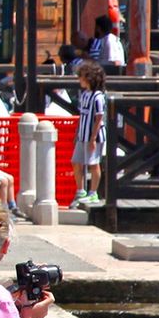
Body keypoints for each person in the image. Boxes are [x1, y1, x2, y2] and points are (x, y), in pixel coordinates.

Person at [71, 61, 108, 209]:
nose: (79, 79)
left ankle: (93, 192)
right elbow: (82, 115)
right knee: (76, 161)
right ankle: (81, 190)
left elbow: (99, 117)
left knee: (94, 164)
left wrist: (93, 138)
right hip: (83, 134)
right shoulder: (85, 94)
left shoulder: (98, 96)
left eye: (81, 77)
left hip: (95, 135)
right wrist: (77, 133)